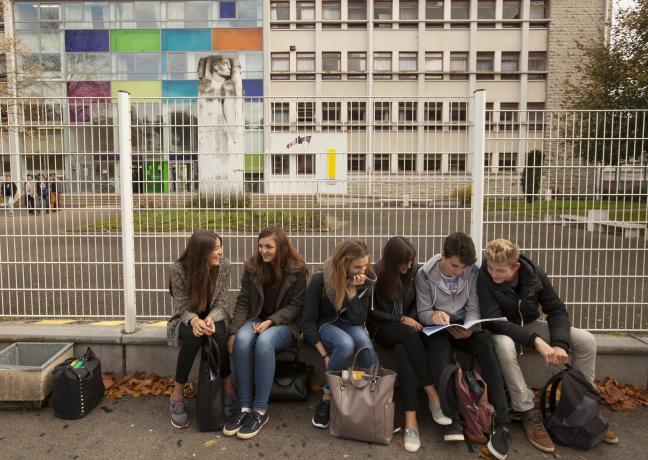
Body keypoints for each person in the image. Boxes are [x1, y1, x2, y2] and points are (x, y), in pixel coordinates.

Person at [477, 238, 618, 453]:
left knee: (586, 340)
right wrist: (537, 341)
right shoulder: (484, 277)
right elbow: (495, 322)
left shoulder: (534, 275)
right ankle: (527, 410)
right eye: (490, 268)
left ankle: (583, 407)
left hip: (531, 326)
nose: (493, 274)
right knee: (504, 345)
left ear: (515, 267)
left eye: (500, 271)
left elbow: (556, 310)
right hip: (503, 331)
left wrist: (560, 344)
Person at [416, 232, 511, 460]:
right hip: (438, 328)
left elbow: (474, 306)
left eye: (463, 267)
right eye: (454, 266)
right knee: (438, 351)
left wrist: (469, 327)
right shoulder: (424, 274)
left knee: (485, 347)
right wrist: (434, 315)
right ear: (442, 256)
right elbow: (422, 311)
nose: (459, 271)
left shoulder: (473, 271)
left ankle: (502, 423)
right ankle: (452, 418)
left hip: (464, 326)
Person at [368, 236, 451, 453]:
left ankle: (411, 424)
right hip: (382, 327)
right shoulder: (376, 273)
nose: (408, 266)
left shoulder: (414, 271)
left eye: (411, 261)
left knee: (404, 350)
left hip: (406, 332)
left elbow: (417, 303)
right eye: (403, 262)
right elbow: (372, 312)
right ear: (391, 260)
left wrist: (409, 317)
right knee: (407, 335)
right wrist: (401, 319)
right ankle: (432, 394)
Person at [224, 226, 308, 440]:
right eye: (261, 246)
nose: (263, 251)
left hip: (286, 324)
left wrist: (272, 321)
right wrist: (234, 332)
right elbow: (243, 301)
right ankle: (244, 407)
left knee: (264, 342)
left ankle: (260, 411)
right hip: (257, 319)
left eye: (269, 246)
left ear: (281, 247)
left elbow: (296, 306)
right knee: (242, 340)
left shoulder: (297, 269)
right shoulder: (252, 266)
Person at [300, 239, 377, 431]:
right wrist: (324, 355)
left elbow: (359, 320)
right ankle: (327, 397)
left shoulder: (364, 281)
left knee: (364, 342)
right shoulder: (321, 280)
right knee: (345, 343)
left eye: (365, 265)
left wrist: (352, 294)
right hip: (326, 324)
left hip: (350, 323)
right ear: (344, 264)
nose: (362, 271)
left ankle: (375, 396)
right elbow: (307, 322)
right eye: (357, 267)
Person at [167, 230, 234, 429]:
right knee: (192, 337)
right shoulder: (178, 269)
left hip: (214, 315)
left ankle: (227, 387)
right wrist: (194, 320)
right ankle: (177, 395)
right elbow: (181, 308)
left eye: (220, 247)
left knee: (219, 333)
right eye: (216, 248)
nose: (220, 252)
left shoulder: (224, 266)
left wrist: (211, 318)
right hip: (188, 316)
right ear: (201, 251)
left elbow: (222, 304)